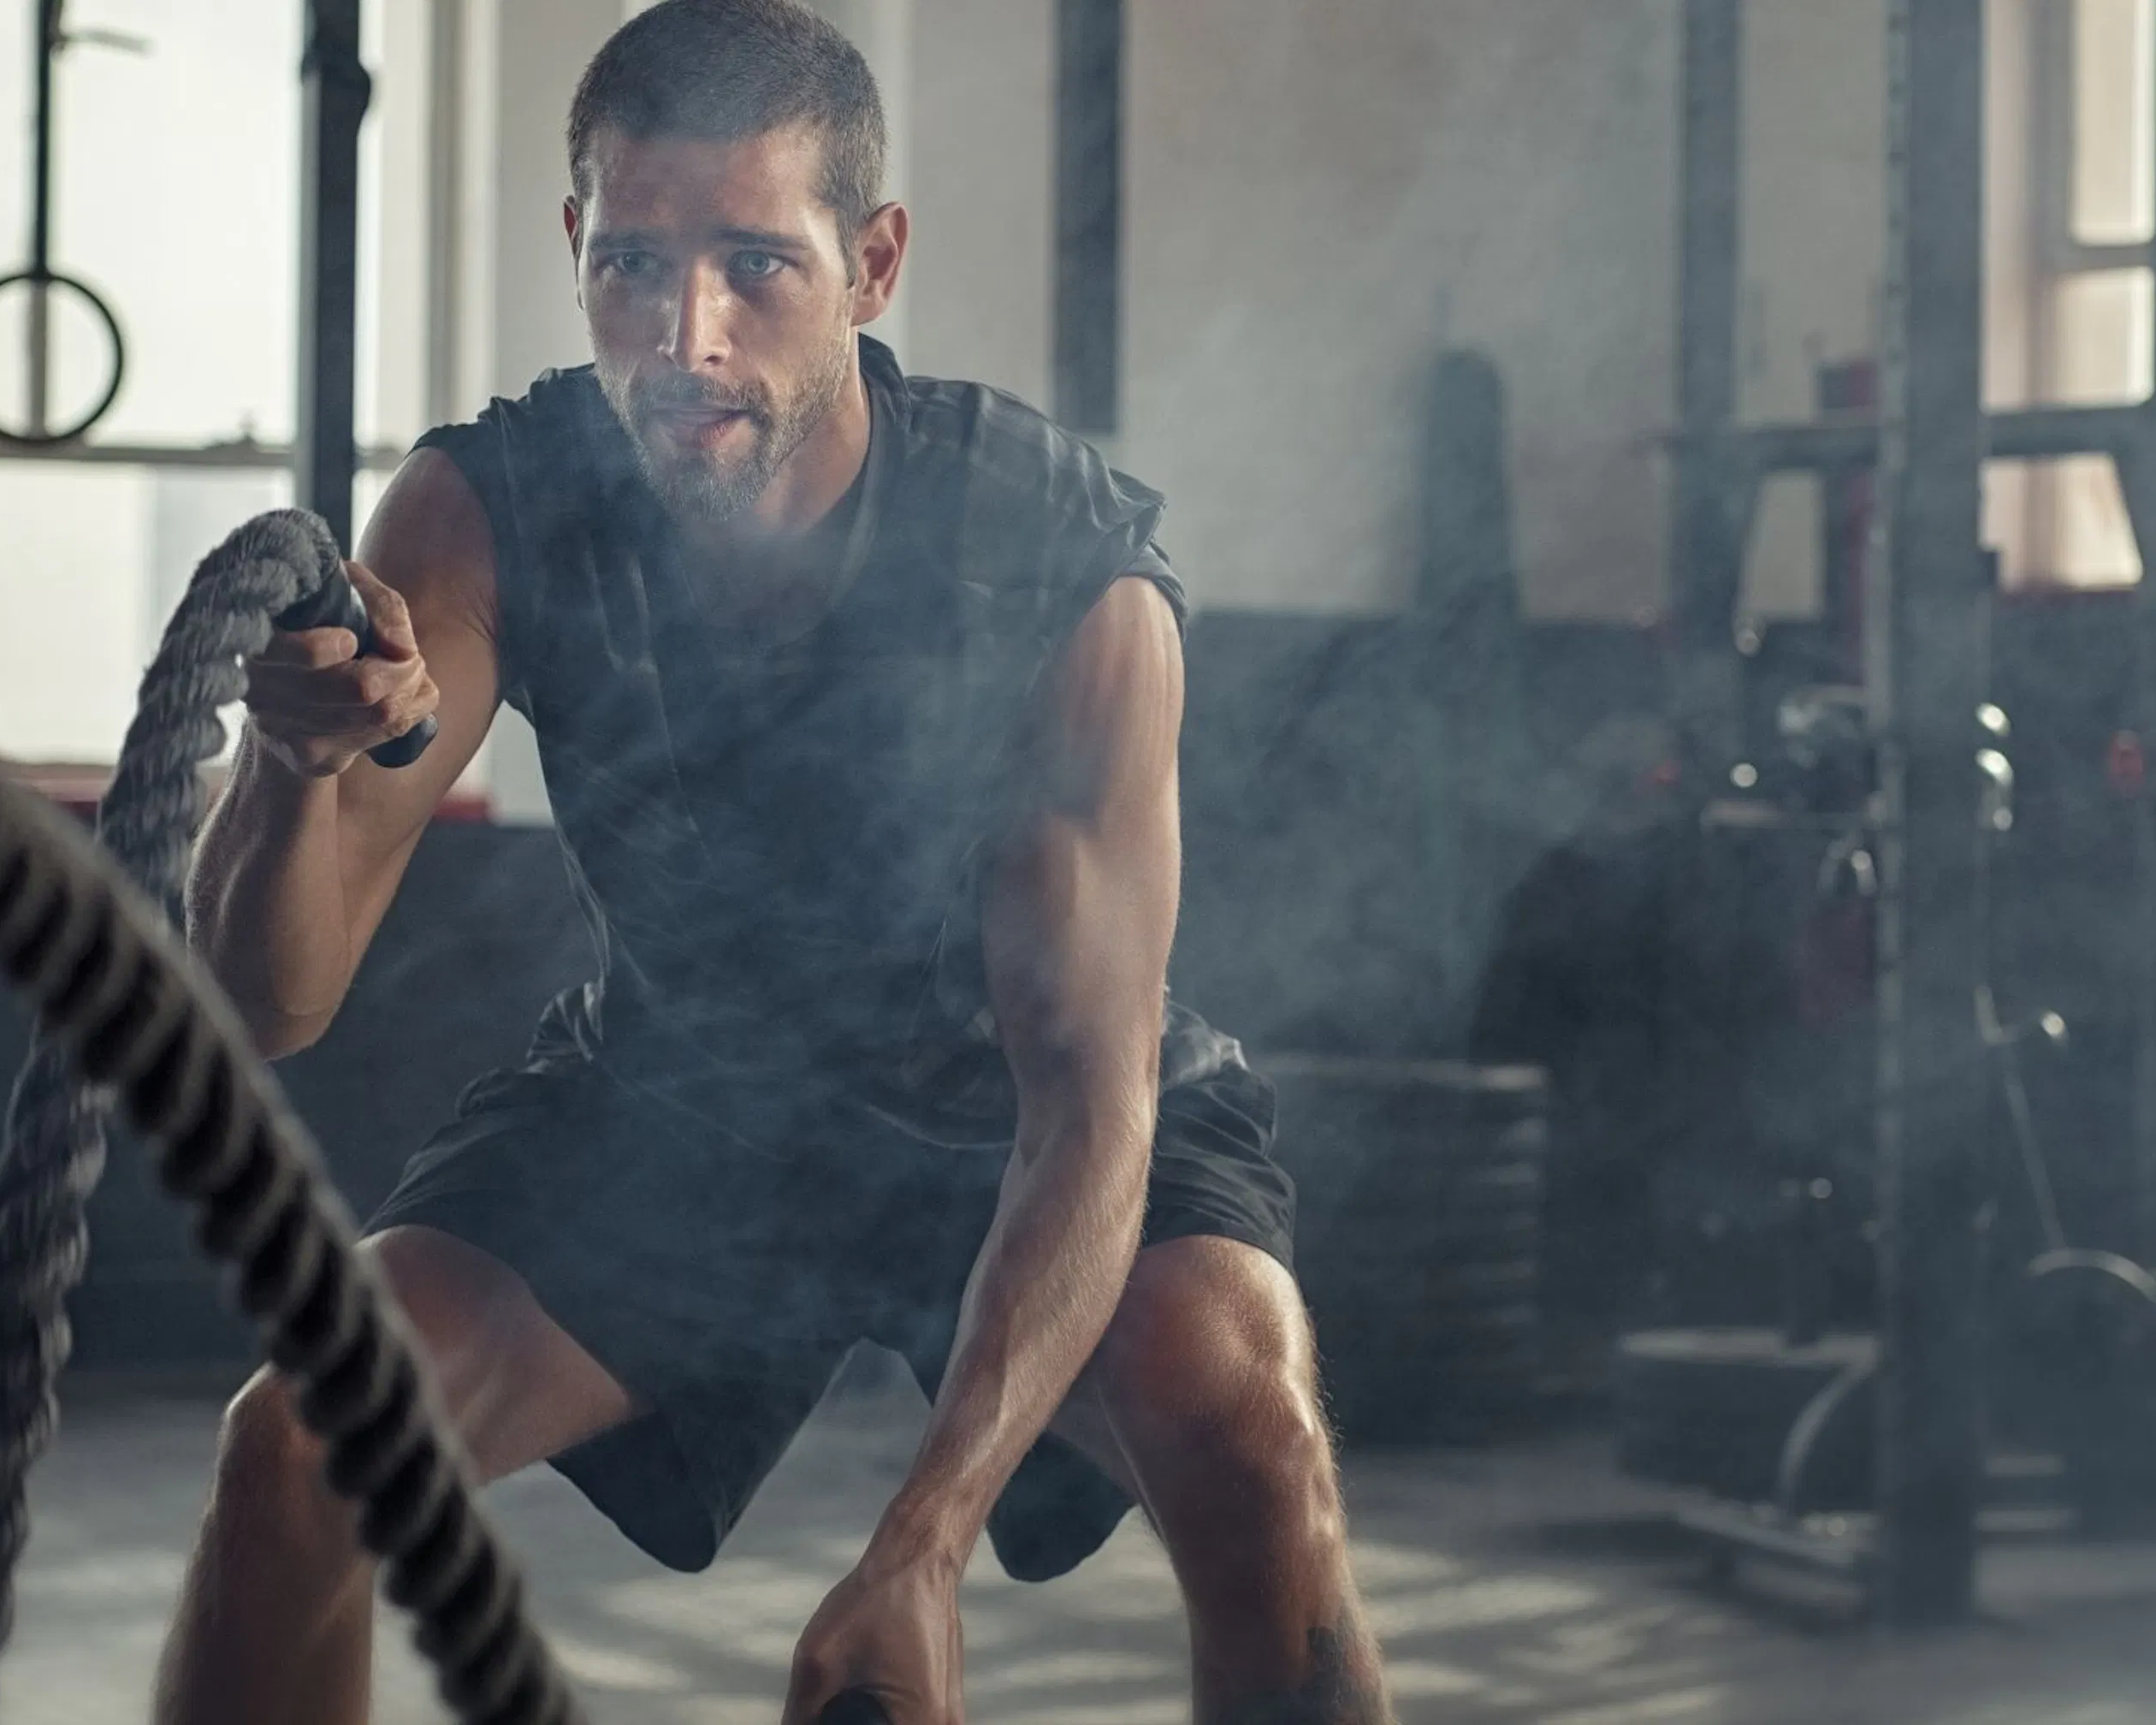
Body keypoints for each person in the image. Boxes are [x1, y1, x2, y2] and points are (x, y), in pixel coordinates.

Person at [163, 3, 1383, 1721]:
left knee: (1248, 1419)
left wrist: (923, 1551)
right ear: (577, 245)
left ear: (872, 265)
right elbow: (269, 1009)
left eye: (756, 267)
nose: (689, 340)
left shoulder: (1058, 565)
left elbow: (1086, 1102)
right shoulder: (481, 513)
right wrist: (291, 767)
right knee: (300, 1448)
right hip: (693, 1097)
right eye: (639, 267)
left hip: (1011, 1115)